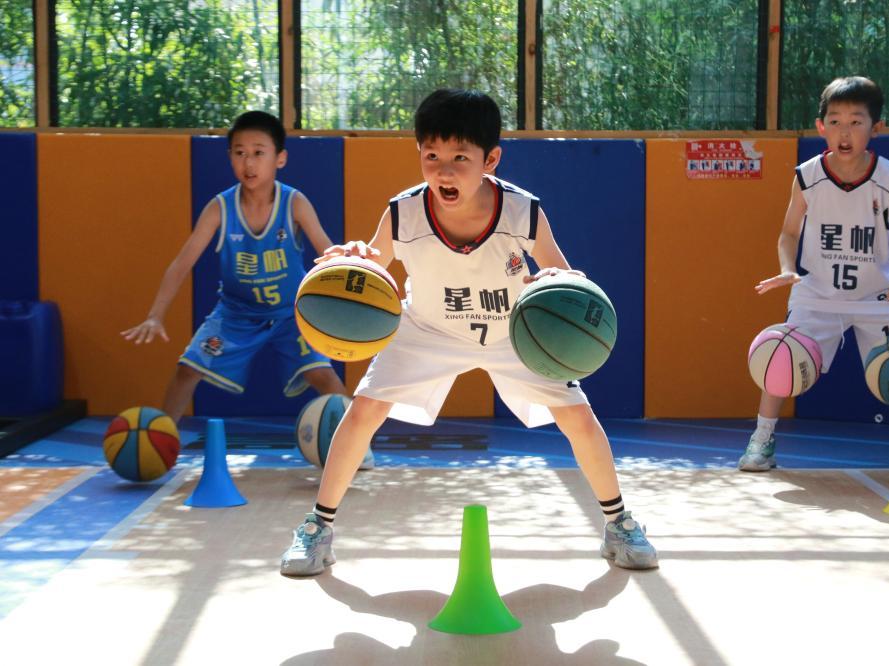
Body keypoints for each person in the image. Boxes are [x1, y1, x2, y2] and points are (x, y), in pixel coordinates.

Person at [279, 89, 658, 576]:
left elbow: (563, 274)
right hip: (427, 329)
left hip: (513, 333)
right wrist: (353, 257)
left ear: (490, 160)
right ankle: (318, 528)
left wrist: (557, 280)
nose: (444, 171)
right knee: (364, 410)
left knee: (578, 417)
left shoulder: (522, 211)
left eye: (460, 158)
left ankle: (619, 523)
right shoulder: (403, 213)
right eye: (432, 156)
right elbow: (374, 262)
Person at [740, 76, 889, 473]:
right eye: (835, 121)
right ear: (821, 126)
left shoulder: (888, 177)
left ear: (875, 128)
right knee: (781, 356)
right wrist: (788, 269)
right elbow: (788, 233)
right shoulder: (807, 175)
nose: (844, 132)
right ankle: (762, 439)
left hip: (878, 297)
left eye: (855, 122)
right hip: (817, 294)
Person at [121, 111, 373, 469]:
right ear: (230, 158)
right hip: (235, 314)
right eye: (239, 153)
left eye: (258, 152)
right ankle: (161, 446)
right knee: (187, 369)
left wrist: (348, 267)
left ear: (279, 158)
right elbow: (181, 263)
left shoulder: (294, 203)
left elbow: (326, 251)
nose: (248, 162)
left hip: (291, 313)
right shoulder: (220, 208)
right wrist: (155, 315)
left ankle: (357, 448)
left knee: (323, 375)